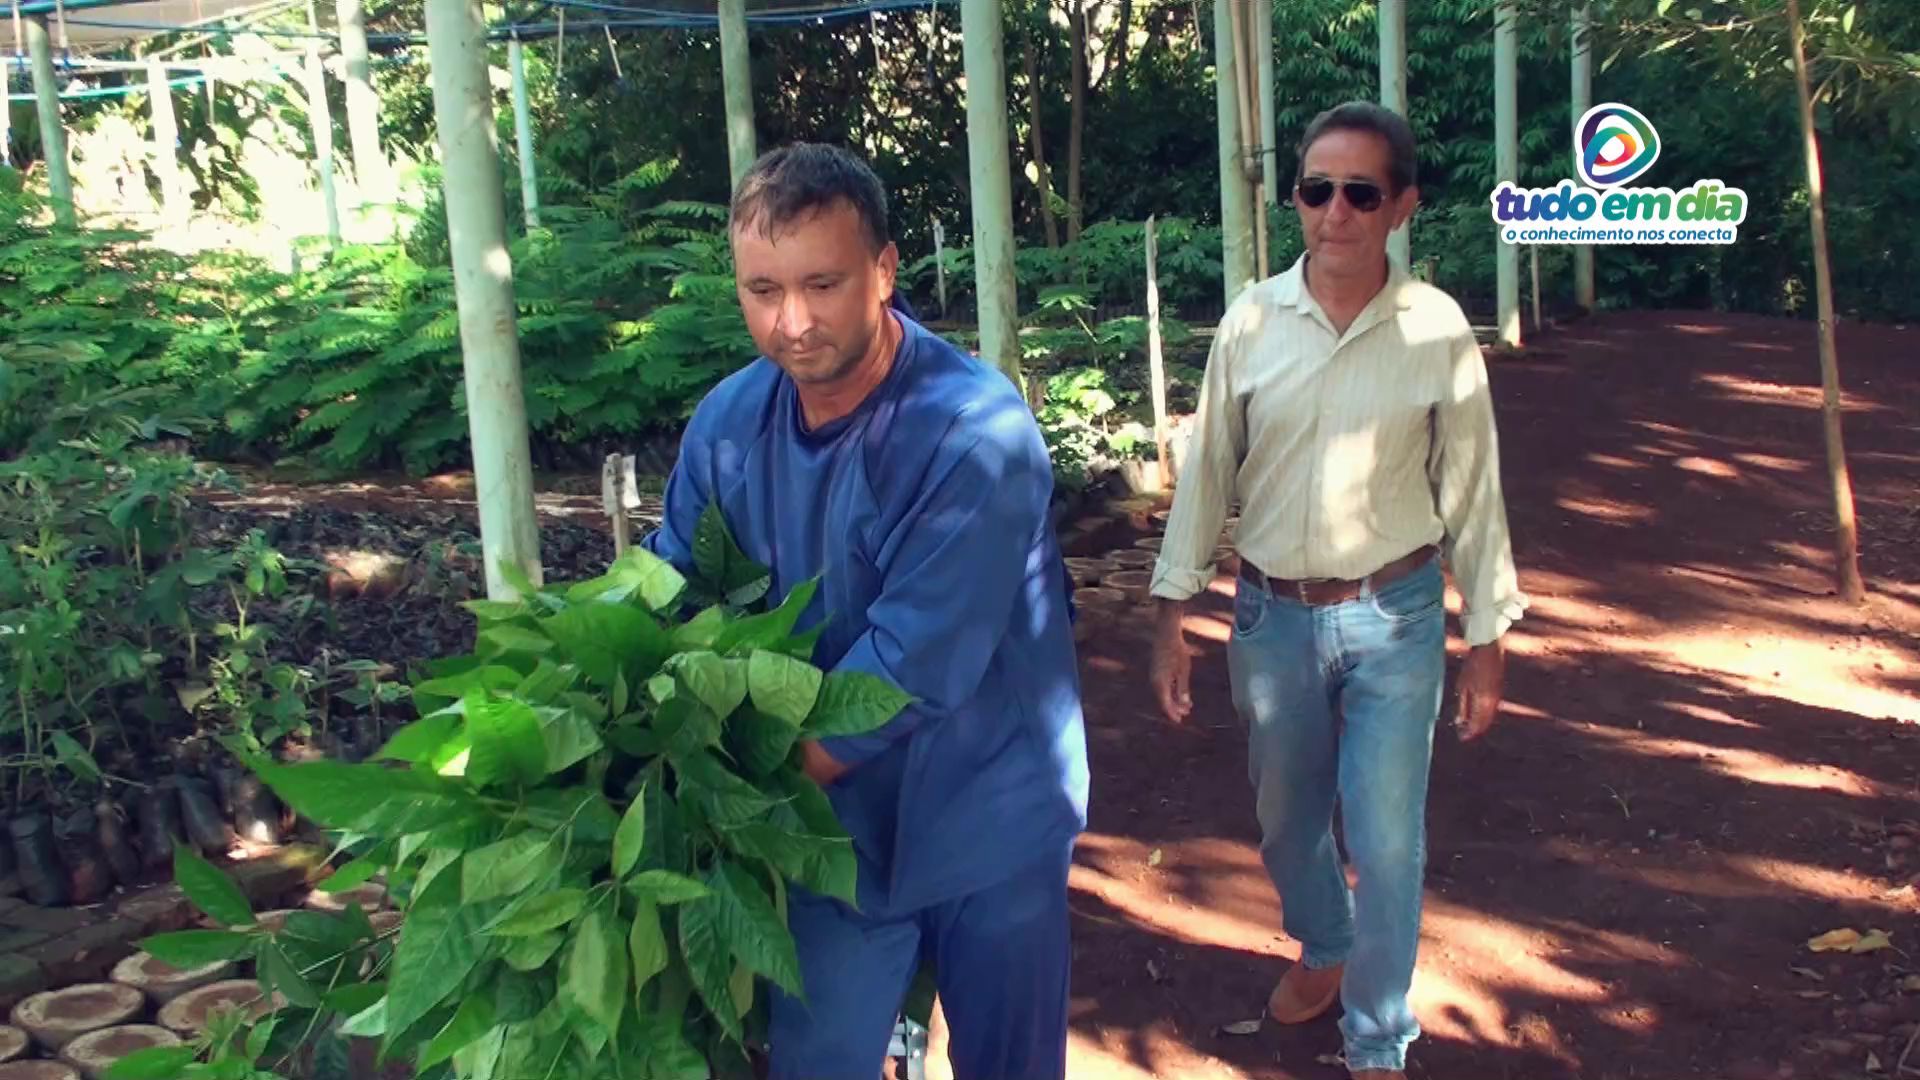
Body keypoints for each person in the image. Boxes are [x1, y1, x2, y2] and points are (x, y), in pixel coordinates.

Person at [642, 142, 1089, 1080]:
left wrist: (716, 792)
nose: (792, 321)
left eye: (823, 284)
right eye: (763, 290)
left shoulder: (975, 435)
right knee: (817, 1057)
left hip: (985, 813)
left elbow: (905, 671)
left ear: (884, 271)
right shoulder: (729, 423)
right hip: (826, 835)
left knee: (1011, 1062)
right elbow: (670, 587)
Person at [1147, 102, 1528, 1080]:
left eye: (1361, 192)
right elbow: (1208, 478)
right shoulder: (1252, 320)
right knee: (1285, 823)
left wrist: (1489, 636)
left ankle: (1376, 1042)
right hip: (1272, 618)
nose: (1336, 213)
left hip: (1396, 619)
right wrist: (1171, 614)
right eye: (1317, 190)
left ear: (1401, 205)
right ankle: (1324, 942)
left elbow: (1473, 490)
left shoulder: (1436, 330)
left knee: (1389, 840)